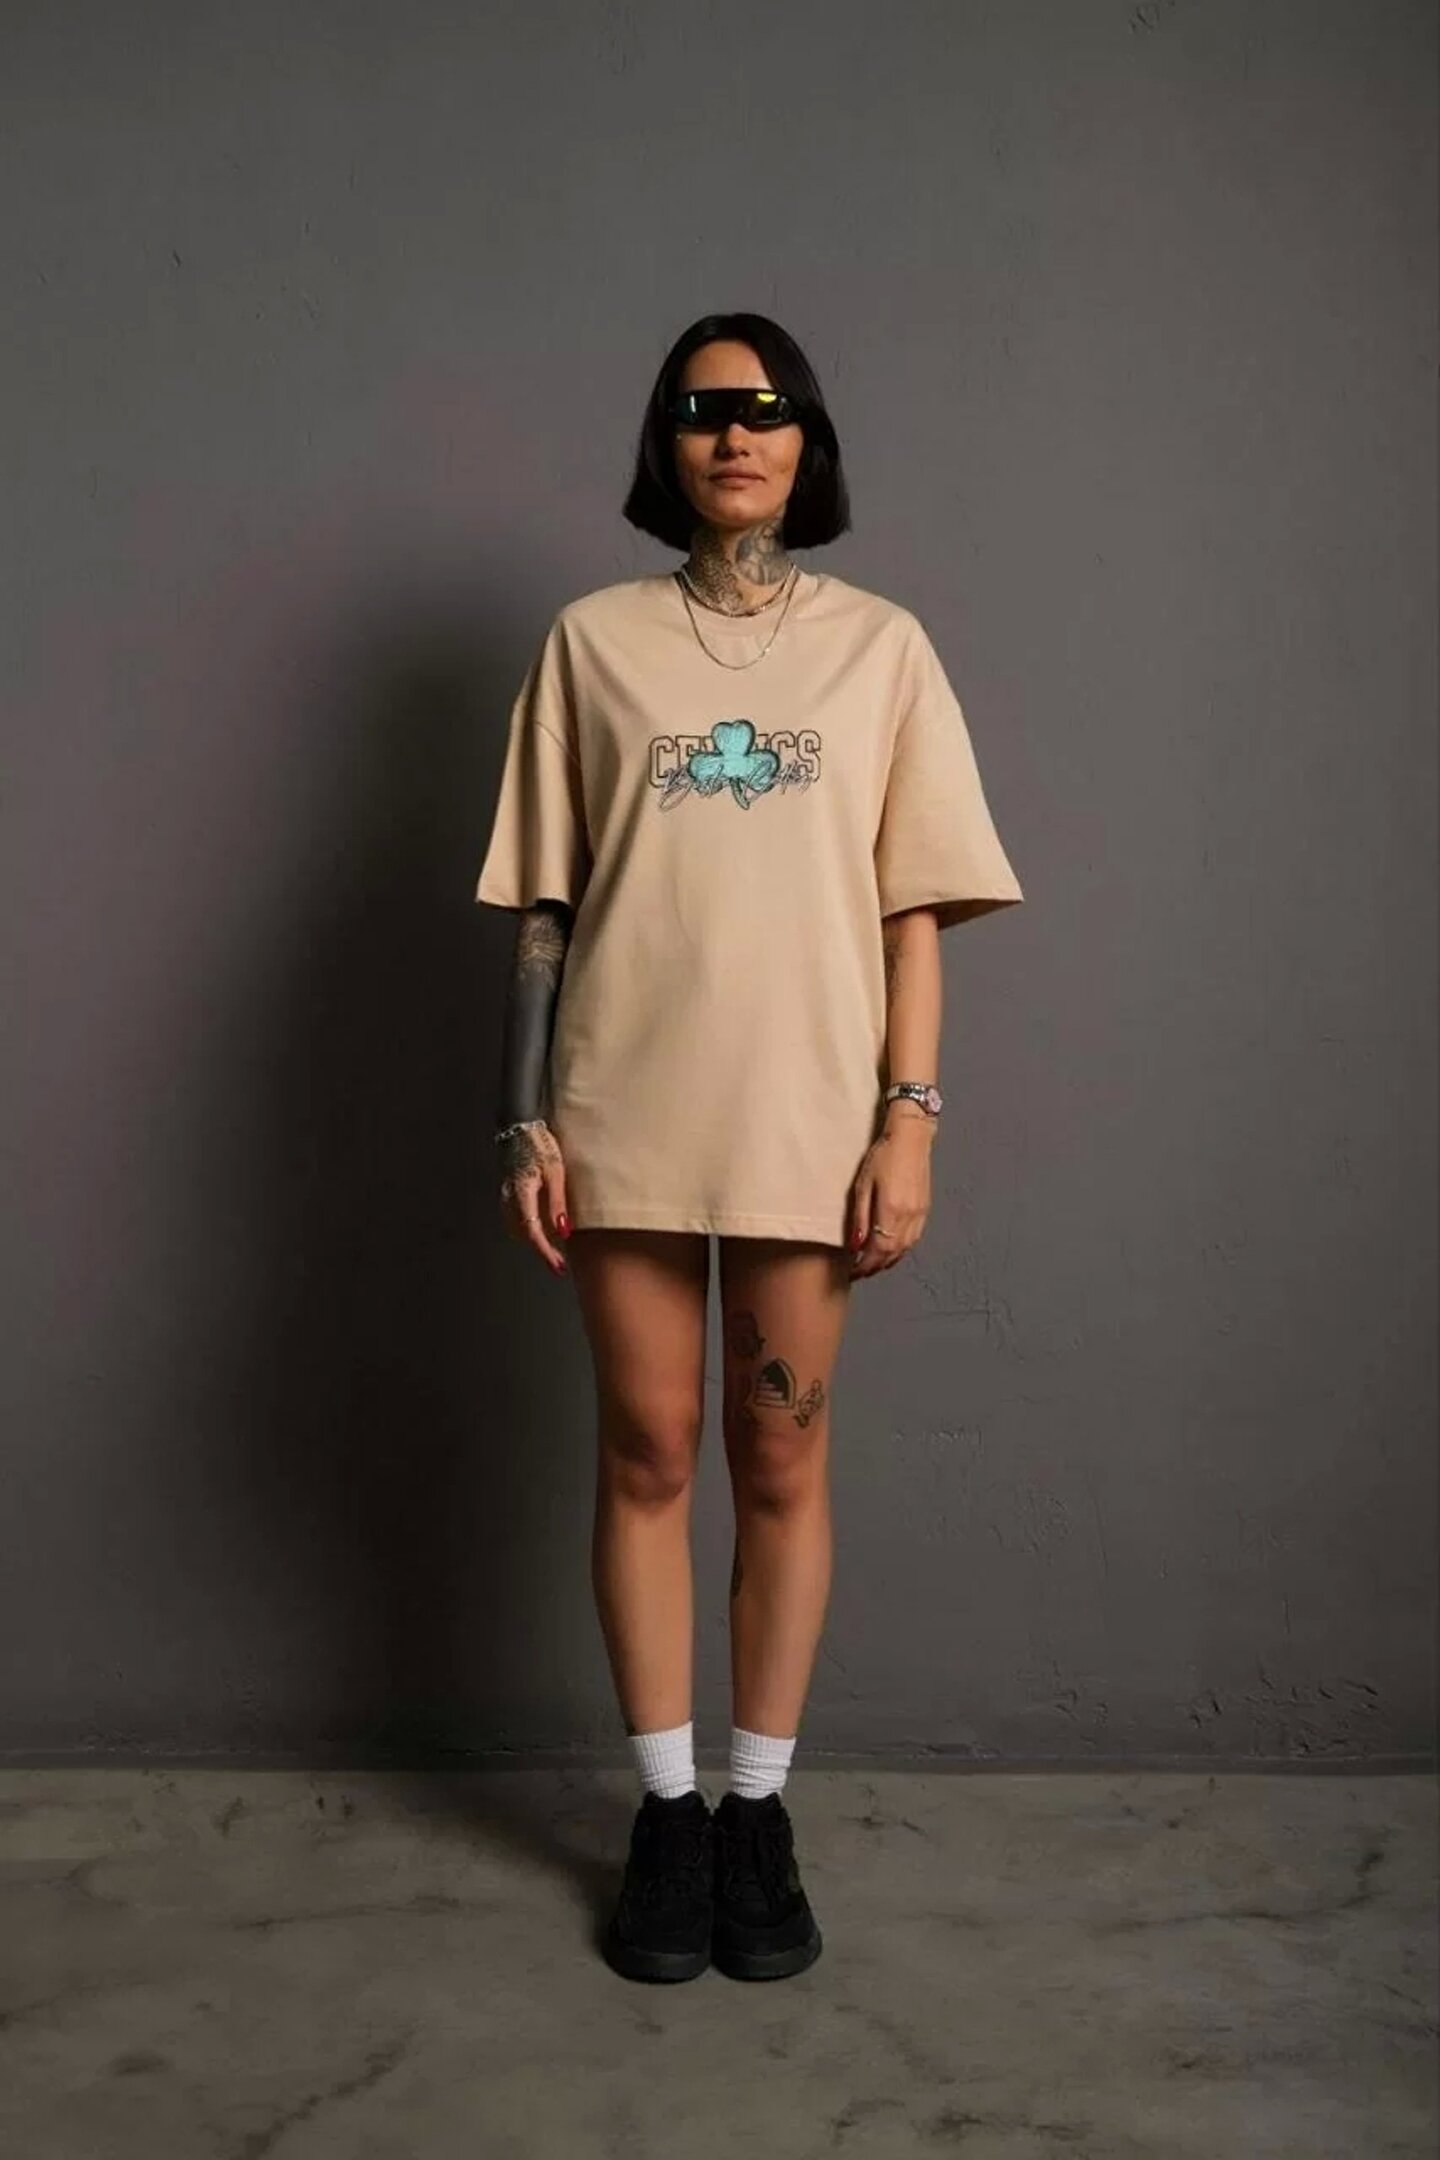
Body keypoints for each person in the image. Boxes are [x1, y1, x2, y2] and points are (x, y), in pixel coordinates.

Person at [473, 311, 1024, 1984]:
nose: (737, 434)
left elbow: (914, 913)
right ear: (668, 441)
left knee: (779, 1460)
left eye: (768, 408)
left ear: (807, 442)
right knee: (647, 1451)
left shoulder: (883, 650)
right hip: (623, 1106)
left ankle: (758, 1812)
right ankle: (666, 1814)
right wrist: (523, 1114)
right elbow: (545, 910)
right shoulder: (590, 643)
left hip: (808, 1115)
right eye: (705, 409)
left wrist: (908, 1122)